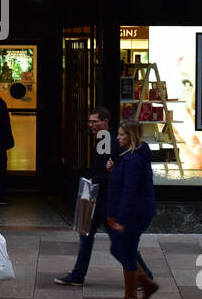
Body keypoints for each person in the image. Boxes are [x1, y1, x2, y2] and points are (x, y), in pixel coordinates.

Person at [56, 107, 156, 288]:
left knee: (119, 245)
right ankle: (80, 274)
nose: (91, 125)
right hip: (103, 200)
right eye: (90, 122)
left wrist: (97, 178)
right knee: (92, 237)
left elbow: (126, 184)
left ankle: (143, 277)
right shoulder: (110, 142)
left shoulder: (117, 147)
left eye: (95, 121)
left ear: (106, 121)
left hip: (107, 202)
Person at [106, 121, 158, 299]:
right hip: (133, 214)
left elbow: (130, 192)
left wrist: (121, 219)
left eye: (121, 134)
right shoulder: (129, 157)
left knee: (125, 251)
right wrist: (114, 169)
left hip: (133, 216)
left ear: (131, 137)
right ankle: (145, 281)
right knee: (118, 248)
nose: (117, 137)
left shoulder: (134, 161)